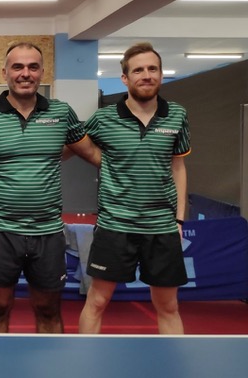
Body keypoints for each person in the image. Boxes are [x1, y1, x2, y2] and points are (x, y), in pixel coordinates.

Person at [0, 42, 100, 333]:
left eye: (33, 67)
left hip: (47, 231)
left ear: (42, 72)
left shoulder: (62, 113)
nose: (25, 73)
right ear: (5, 73)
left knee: (48, 309)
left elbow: (94, 155)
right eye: (18, 67)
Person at [78, 42, 190, 335]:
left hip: (161, 227)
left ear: (161, 75)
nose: (147, 75)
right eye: (138, 70)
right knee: (97, 301)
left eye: (153, 69)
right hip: (115, 225)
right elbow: (76, 146)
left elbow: (178, 167)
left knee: (168, 306)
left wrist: (179, 219)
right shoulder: (103, 118)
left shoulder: (177, 115)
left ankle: (173, 358)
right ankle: (83, 359)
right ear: (125, 78)